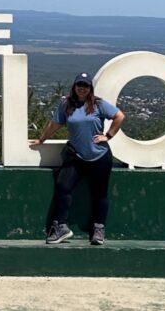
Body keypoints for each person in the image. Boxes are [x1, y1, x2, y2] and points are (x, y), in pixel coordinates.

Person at [29, 72, 125, 245]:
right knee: (62, 187)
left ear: (90, 88)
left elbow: (119, 116)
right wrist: (42, 139)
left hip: (100, 156)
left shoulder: (98, 104)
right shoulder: (66, 104)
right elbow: (55, 124)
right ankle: (60, 227)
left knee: (99, 194)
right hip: (76, 156)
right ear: (74, 86)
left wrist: (108, 135)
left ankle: (99, 228)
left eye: (85, 85)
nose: (82, 88)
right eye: (79, 85)